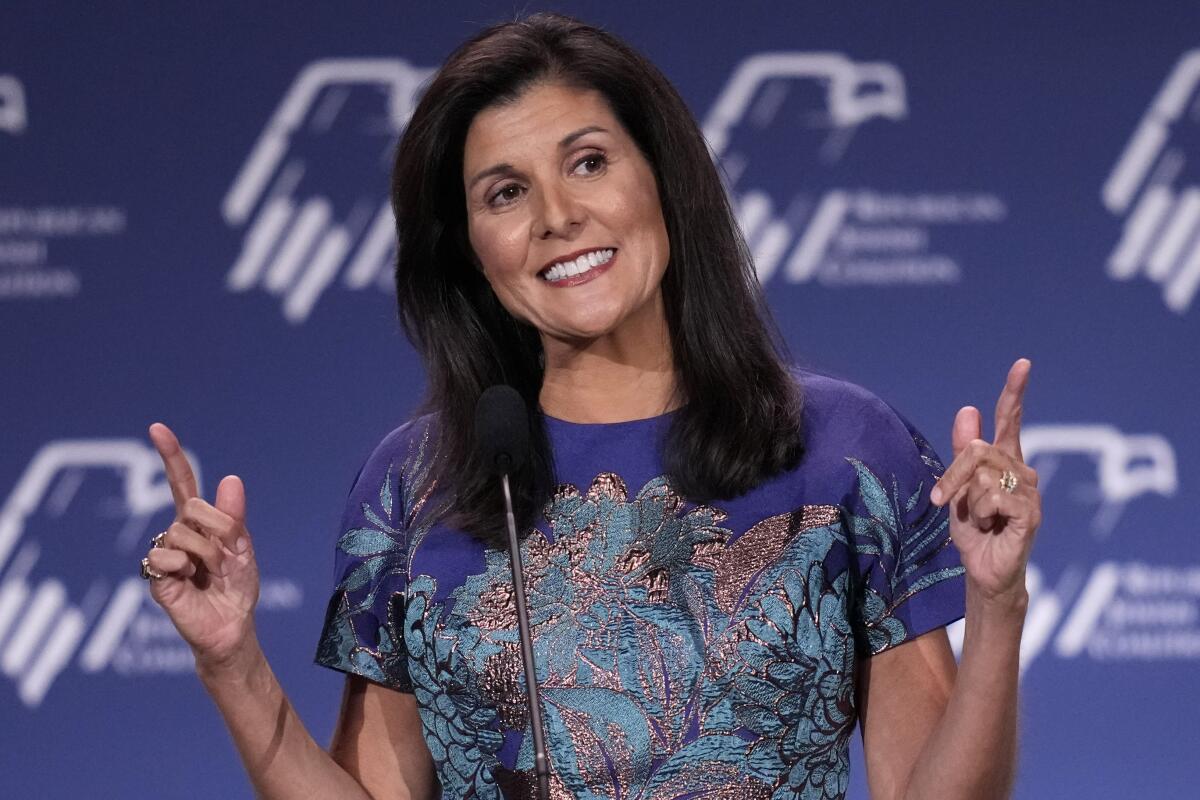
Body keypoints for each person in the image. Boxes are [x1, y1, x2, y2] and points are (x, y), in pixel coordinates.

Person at [141, 12, 1041, 800]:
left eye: (588, 162)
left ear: (662, 180)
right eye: (505, 192)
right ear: (473, 252)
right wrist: (233, 664)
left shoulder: (840, 449)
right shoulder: (419, 484)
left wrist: (997, 607)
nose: (558, 215)